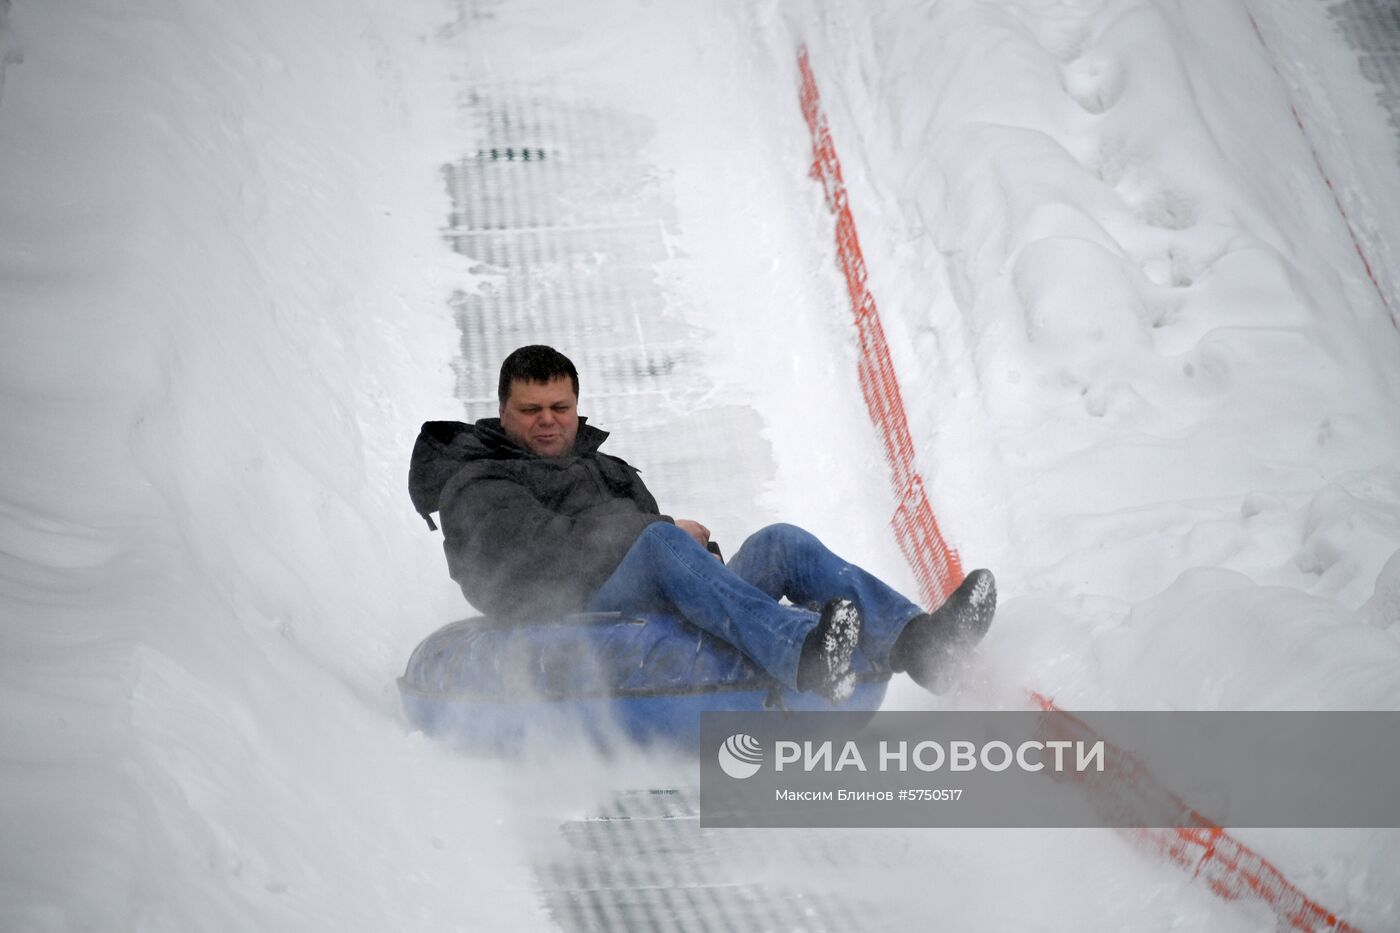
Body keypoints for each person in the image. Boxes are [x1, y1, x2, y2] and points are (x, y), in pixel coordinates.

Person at [409, 345, 996, 702]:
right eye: (530, 410)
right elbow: (531, 558)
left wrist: (688, 550)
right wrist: (654, 536)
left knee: (780, 544)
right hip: (567, 612)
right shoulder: (480, 477)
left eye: (559, 408)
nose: (547, 422)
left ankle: (919, 644)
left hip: (639, 602)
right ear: (502, 411)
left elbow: (661, 554)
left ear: (577, 406)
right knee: (660, 538)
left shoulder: (605, 469)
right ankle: (803, 655)